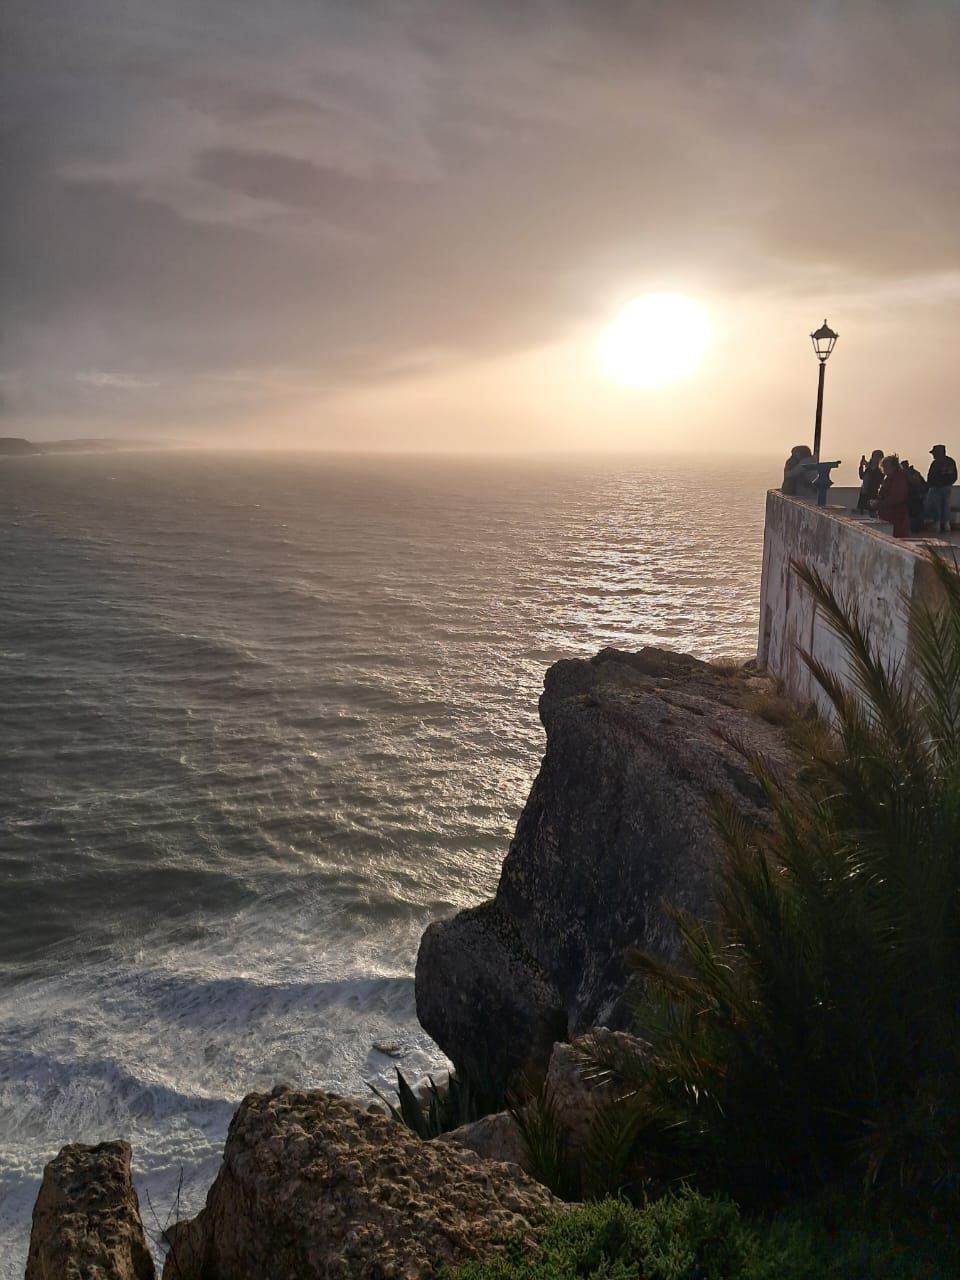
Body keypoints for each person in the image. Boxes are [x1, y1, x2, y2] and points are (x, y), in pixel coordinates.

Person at [874, 454, 910, 538]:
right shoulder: (890, 478)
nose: (883, 470)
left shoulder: (899, 478)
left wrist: (879, 503)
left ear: (892, 467)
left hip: (897, 518)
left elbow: (897, 498)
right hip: (890, 517)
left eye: (885, 467)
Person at [926, 444, 957, 534]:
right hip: (947, 487)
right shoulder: (951, 461)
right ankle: (947, 525)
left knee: (937, 506)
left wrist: (932, 484)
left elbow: (931, 476)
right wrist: (949, 483)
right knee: (946, 506)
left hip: (936, 487)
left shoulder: (935, 463)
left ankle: (938, 525)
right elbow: (954, 475)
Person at [901, 460, 927, 534]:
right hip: (916, 497)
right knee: (916, 514)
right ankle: (915, 529)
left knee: (913, 514)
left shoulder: (907, 474)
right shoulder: (915, 473)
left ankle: (913, 529)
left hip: (913, 497)